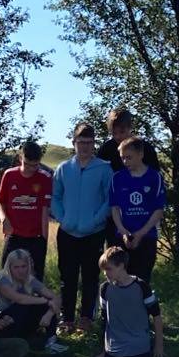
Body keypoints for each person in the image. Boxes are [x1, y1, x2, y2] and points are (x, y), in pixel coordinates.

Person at [51, 123, 113, 333]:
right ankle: (66, 318)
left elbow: (109, 200)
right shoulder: (63, 168)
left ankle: (86, 317)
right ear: (74, 143)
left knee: (90, 277)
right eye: (81, 142)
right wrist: (63, 218)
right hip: (67, 232)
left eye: (89, 142)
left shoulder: (104, 168)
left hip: (93, 233)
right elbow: (55, 197)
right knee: (67, 277)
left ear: (94, 144)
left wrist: (96, 220)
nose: (85, 146)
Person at [110, 136, 167, 281]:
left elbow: (158, 210)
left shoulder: (154, 177)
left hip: (147, 237)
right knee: (120, 280)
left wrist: (141, 233)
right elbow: (114, 208)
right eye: (122, 158)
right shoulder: (117, 178)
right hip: (122, 239)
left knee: (141, 282)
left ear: (140, 154)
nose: (125, 162)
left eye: (129, 158)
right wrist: (123, 231)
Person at [0, 140, 53, 280]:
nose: (31, 169)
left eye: (35, 165)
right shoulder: (9, 175)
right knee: (6, 277)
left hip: (36, 238)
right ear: (21, 158)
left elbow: (45, 210)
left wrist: (44, 241)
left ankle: (33, 302)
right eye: (27, 164)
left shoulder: (45, 178)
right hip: (14, 236)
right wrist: (4, 219)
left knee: (35, 278)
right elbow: (0, 201)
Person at [0, 249, 68, 353]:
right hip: (5, 320)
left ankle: (51, 340)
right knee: (24, 305)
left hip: (22, 318)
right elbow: (19, 299)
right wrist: (47, 302)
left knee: (44, 304)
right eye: (16, 267)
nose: (21, 270)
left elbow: (55, 297)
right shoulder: (3, 280)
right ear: (9, 267)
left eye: (23, 266)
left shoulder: (30, 280)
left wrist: (49, 313)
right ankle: (17, 343)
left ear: (28, 266)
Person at [97, 107, 161, 173]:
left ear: (130, 127)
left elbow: (155, 175)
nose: (118, 136)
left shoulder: (145, 148)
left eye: (122, 132)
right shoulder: (106, 150)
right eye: (114, 133)